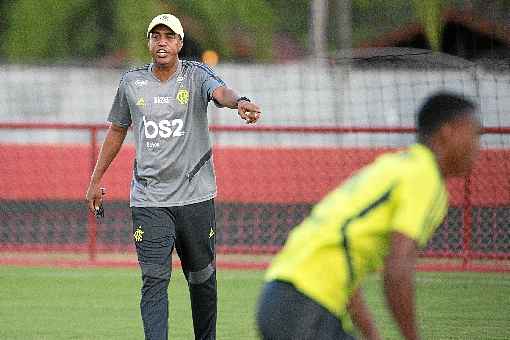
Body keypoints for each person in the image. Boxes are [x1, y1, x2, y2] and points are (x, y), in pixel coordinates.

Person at [85, 13, 261, 340]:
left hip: (196, 198)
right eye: (156, 36)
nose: (162, 42)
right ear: (149, 43)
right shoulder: (131, 83)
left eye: (169, 36)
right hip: (149, 201)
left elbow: (221, 93)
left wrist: (241, 102)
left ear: (179, 43)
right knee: (153, 280)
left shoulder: (196, 76)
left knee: (202, 279)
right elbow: (117, 131)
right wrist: (95, 180)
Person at [256, 92, 480, 340]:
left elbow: (344, 263)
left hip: (282, 297)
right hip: (303, 305)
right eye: (474, 134)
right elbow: (397, 272)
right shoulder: (423, 176)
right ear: (447, 132)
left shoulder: (397, 166)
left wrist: (372, 334)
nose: (477, 145)